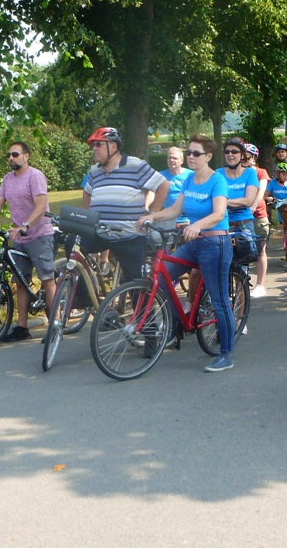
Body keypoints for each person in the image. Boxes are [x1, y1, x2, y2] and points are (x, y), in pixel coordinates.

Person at [138, 134, 237, 372]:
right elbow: (174, 209)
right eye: (189, 152)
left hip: (215, 244)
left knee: (220, 300)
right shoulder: (190, 180)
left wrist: (197, 225)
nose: (190, 157)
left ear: (208, 156)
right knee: (161, 279)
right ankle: (176, 325)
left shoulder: (218, 181)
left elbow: (218, 214)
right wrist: (152, 215)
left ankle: (226, 354)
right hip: (194, 243)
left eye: (195, 153)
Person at [0, 141, 56, 342]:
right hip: (19, 237)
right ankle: (22, 328)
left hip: (39, 234)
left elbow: (40, 206)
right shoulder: (7, 179)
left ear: (26, 156)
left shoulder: (35, 176)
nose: (10, 158)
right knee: (20, 282)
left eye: (14, 154)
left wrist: (24, 225)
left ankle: (56, 325)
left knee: (47, 280)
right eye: (8, 155)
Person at [82, 127, 168, 282]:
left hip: (129, 235)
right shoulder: (95, 170)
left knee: (136, 281)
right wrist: (87, 217)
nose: (94, 149)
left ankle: (144, 306)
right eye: (93, 145)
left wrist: (153, 213)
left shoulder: (135, 165)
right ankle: (84, 298)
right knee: (72, 245)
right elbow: (87, 191)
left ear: (113, 146)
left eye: (98, 145)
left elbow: (163, 185)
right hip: (101, 233)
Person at [243, 144, 271, 298]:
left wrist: (252, 207)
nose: (243, 159)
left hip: (257, 215)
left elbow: (261, 192)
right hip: (240, 217)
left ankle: (260, 285)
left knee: (260, 250)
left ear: (253, 157)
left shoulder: (261, 172)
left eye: (247, 156)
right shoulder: (237, 173)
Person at [160, 146, 192, 224]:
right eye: (169, 158)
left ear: (182, 160)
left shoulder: (191, 175)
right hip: (168, 219)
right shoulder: (161, 176)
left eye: (175, 158)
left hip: (188, 220)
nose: (171, 160)